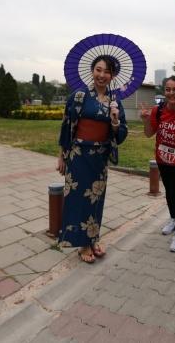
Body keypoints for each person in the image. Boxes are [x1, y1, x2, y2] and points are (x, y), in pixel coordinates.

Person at [56, 55, 128, 263]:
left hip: (99, 156)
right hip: (79, 154)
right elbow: (66, 125)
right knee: (78, 199)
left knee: (96, 199)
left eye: (107, 71)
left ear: (112, 75)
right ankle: (83, 245)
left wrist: (114, 121)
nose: (102, 75)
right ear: (92, 71)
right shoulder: (78, 96)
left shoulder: (114, 102)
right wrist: (62, 156)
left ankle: (94, 238)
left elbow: (120, 132)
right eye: (98, 70)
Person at [140, 76, 175, 252]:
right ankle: (173, 219)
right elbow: (149, 134)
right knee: (169, 192)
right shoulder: (158, 110)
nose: (171, 93)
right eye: (168, 89)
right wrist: (146, 120)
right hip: (163, 158)